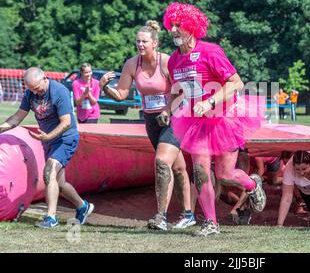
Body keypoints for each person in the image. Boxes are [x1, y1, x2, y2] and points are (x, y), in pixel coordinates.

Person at [163, 2, 266, 236]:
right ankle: (211, 223)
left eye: (179, 25)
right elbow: (179, 90)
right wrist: (169, 109)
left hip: (224, 119)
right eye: (172, 25)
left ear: (191, 27)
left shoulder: (210, 51)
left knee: (224, 174)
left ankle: (252, 184)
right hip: (196, 122)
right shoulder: (174, 60)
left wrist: (210, 102)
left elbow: (236, 83)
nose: (173, 30)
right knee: (200, 171)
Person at [99, 20, 194, 231]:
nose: (140, 45)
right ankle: (188, 214)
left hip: (175, 117)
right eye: (138, 41)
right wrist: (105, 88)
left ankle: (161, 217)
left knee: (161, 161)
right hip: (152, 120)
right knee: (177, 168)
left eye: (144, 41)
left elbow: (183, 91)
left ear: (155, 43)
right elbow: (121, 94)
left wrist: (167, 110)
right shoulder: (132, 64)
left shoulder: (167, 62)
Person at [0, 67, 94, 228]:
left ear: (45, 78)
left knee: (49, 171)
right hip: (48, 141)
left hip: (65, 139)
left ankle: (51, 218)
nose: (35, 93)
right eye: (31, 90)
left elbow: (66, 122)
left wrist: (48, 136)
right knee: (59, 183)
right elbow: (17, 117)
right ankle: (83, 206)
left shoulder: (59, 91)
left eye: (37, 89)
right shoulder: (30, 93)